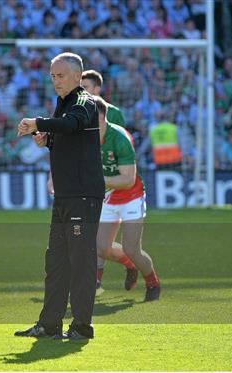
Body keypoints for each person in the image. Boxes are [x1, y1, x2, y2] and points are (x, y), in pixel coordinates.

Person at [15, 52, 104, 340]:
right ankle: (49, 324)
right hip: (65, 197)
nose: (56, 81)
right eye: (52, 76)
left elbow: (71, 124)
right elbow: (66, 136)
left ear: (78, 77)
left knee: (80, 263)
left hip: (82, 196)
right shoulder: (64, 104)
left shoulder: (85, 102)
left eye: (61, 75)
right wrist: (47, 140)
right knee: (56, 263)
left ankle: (81, 327)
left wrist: (40, 124)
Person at [92, 96, 161, 302]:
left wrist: (96, 180)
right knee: (101, 247)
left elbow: (128, 180)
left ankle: (153, 282)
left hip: (131, 196)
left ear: (101, 117)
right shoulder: (85, 138)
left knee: (132, 248)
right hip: (108, 197)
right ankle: (130, 265)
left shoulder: (120, 137)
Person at [80, 69, 134, 295]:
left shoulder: (114, 114)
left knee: (98, 239)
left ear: (97, 89)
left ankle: (106, 275)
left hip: (111, 185)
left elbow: (123, 145)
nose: (81, 91)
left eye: (85, 87)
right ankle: (95, 281)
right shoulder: (79, 111)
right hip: (89, 181)